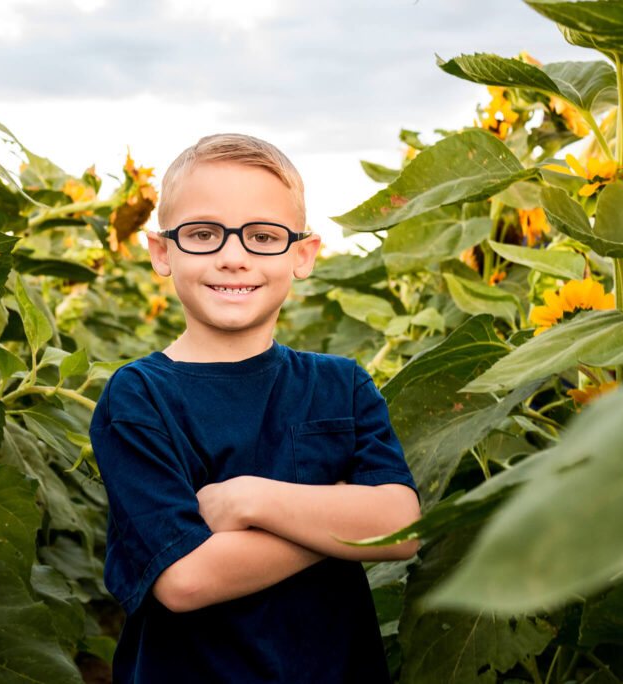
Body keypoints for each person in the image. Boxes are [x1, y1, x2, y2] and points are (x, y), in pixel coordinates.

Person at [89, 133, 421, 683]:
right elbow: (185, 579)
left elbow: (401, 528)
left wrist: (251, 499)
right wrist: (338, 520)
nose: (233, 257)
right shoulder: (139, 396)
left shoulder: (342, 384)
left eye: (263, 236)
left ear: (302, 255)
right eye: (203, 234)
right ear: (162, 253)